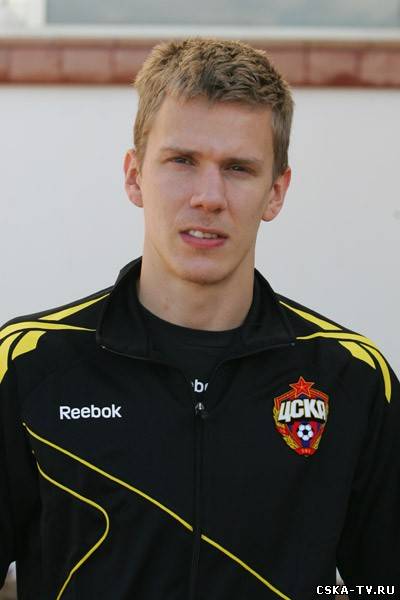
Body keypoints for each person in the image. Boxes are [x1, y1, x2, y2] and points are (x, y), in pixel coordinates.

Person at [0, 37, 399, 600]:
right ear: (135, 176)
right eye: (182, 161)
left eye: (238, 168)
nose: (209, 197)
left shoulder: (352, 378)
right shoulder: (28, 366)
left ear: (276, 192)